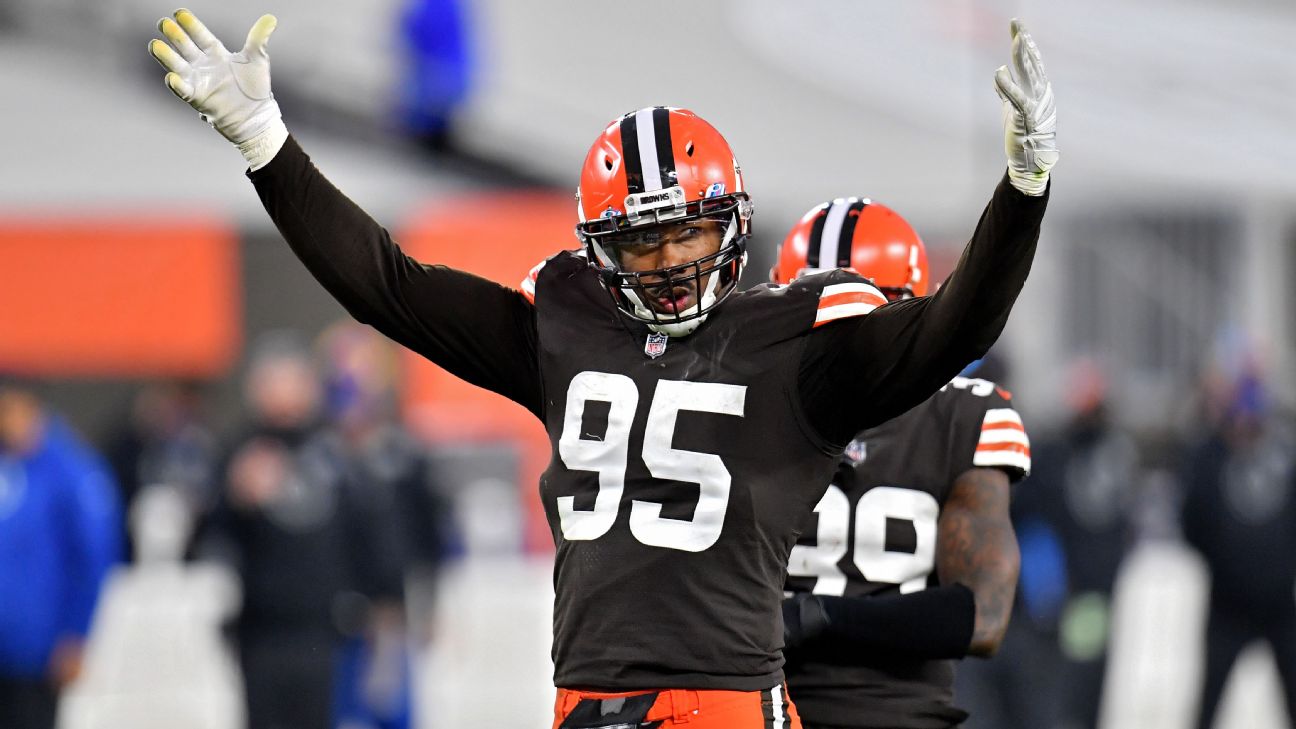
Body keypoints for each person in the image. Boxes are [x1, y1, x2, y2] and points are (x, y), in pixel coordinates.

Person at [147, 12, 1057, 728]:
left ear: (731, 226)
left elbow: (952, 323)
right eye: (641, 238)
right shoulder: (567, 323)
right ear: (599, 248)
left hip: (725, 699)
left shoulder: (798, 347)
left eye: (688, 229)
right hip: (584, 698)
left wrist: (1021, 191)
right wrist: (266, 141)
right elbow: (388, 285)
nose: (667, 259)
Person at [770, 201, 1029, 729]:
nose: (831, 342)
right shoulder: (748, 408)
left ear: (912, 316)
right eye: (811, 319)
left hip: (896, 714)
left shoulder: (964, 416)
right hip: (761, 709)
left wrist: (816, 616)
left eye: (854, 320)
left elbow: (982, 618)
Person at [194, 336, 397, 729]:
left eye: (290, 382)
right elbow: (204, 540)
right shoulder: (238, 452)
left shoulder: (336, 452)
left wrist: (385, 606)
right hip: (261, 630)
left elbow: (372, 533)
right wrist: (234, 498)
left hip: (328, 628)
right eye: (272, 383)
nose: (282, 395)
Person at [0, 378, 123, 729]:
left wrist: (76, 632)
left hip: (37, 649)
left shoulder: (70, 472)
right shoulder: (11, 465)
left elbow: (92, 560)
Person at [1182, 368, 1296, 729]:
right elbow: (1193, 520)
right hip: (1227, 604)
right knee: (1208, 703)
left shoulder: (1285, 455)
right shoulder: (1210, 457)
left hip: (1279, 604)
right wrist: (1225, 564)